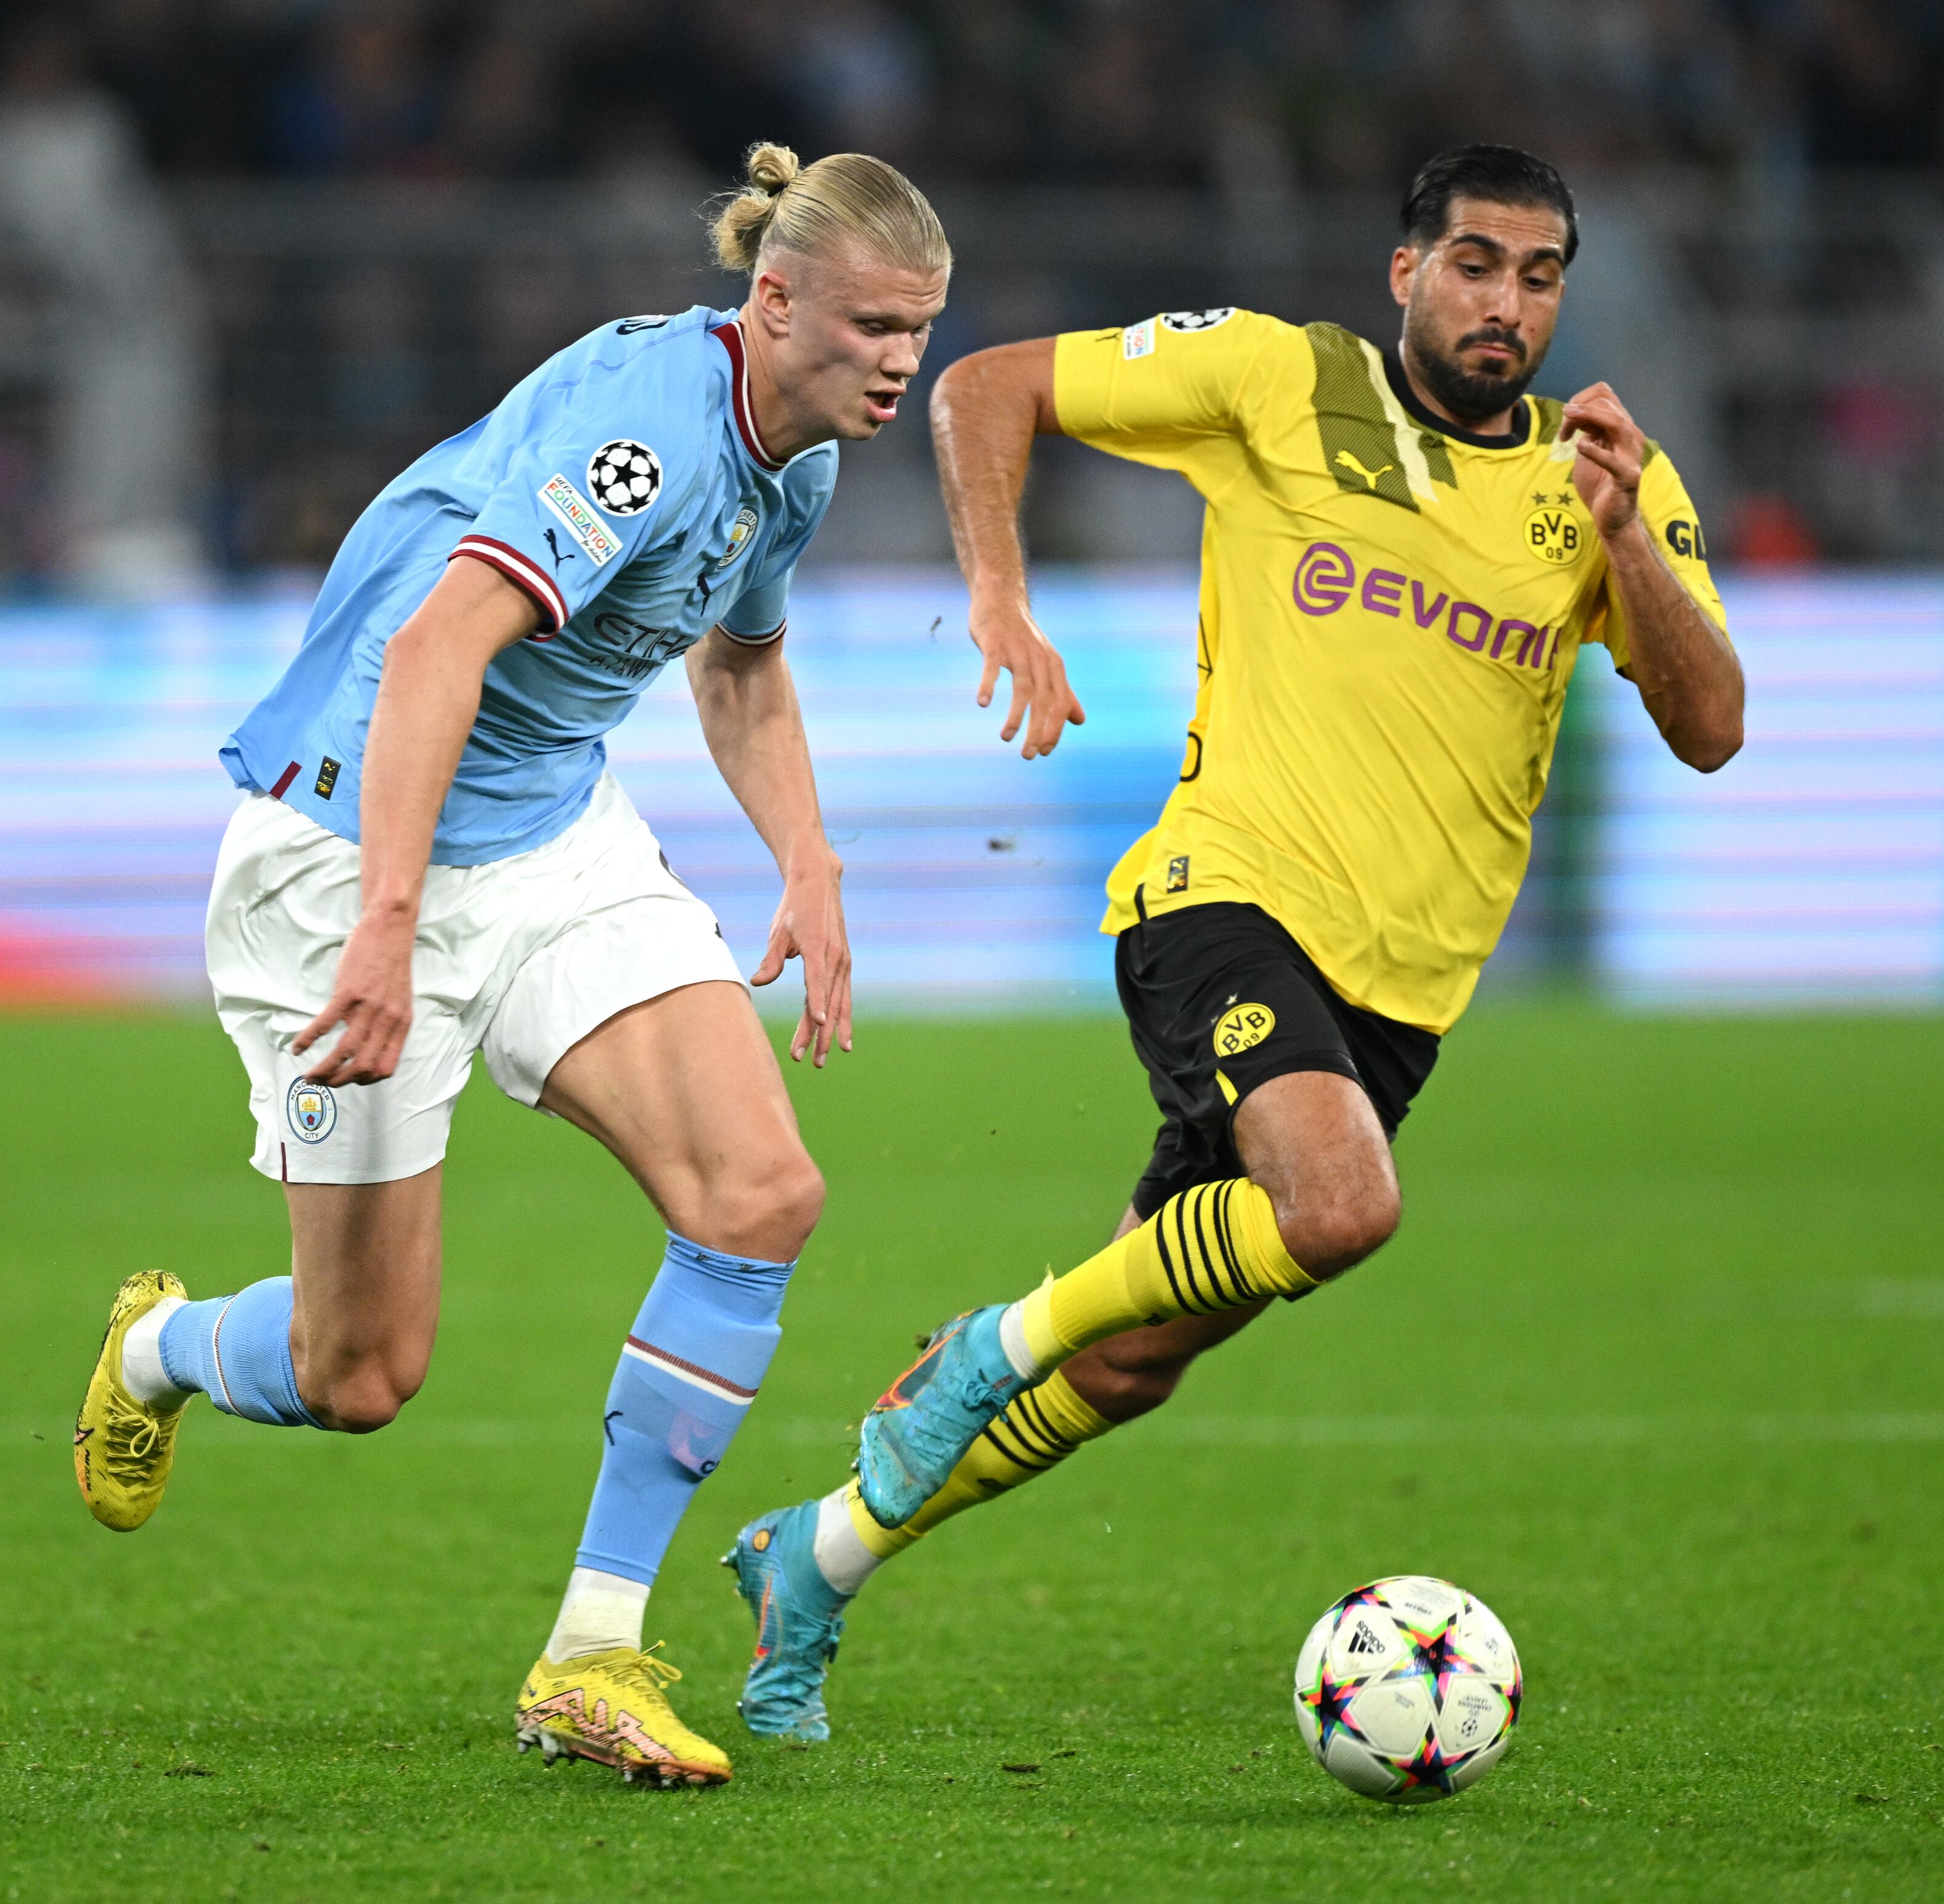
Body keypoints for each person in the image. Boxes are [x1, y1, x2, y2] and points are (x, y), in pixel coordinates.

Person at [725, 144, 1744, 1741]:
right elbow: (986, 390)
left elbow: (1711, 730)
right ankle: (990, 1346)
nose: (1505, 303)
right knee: (1335, 1209)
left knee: (1132, 1367)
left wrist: (1619, 541)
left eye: (1537, 276)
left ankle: (819, 1562)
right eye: (1473, 263)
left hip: (1395, 1002)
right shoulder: (1277, 380)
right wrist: (997, 596)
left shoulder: (1599, 475)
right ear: (1403, 271)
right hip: (1221, 899)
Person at [70, 142, 951, 1789]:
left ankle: (590, 1660)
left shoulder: (801, 454)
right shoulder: (641, 445)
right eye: (872, 327)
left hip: (549, 836)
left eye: (919, 329)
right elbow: (431, 650)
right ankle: (159, 1349)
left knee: (758, 1195)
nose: (899, 362)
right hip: (348, 850)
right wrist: (388, 928)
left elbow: (741, 667)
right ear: (774, 305)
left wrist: (812, 867)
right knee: (359, 1375)